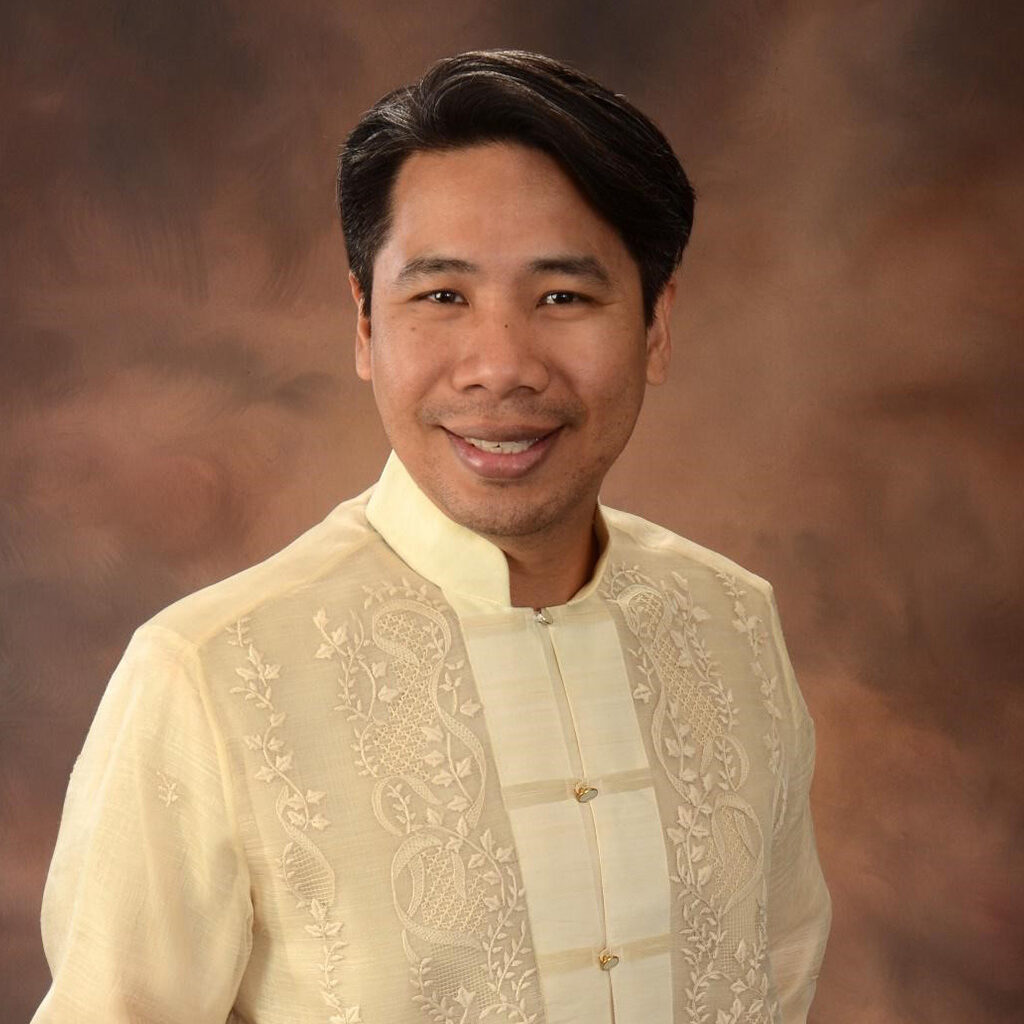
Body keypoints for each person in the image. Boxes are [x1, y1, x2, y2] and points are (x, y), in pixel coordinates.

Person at [32, 49, 830, 1024]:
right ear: (365, 325)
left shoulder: (732, 629)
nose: (500, 366)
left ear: (655, 325)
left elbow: (779, 983)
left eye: (563, 296)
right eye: (442, 296)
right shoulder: (206, 674)